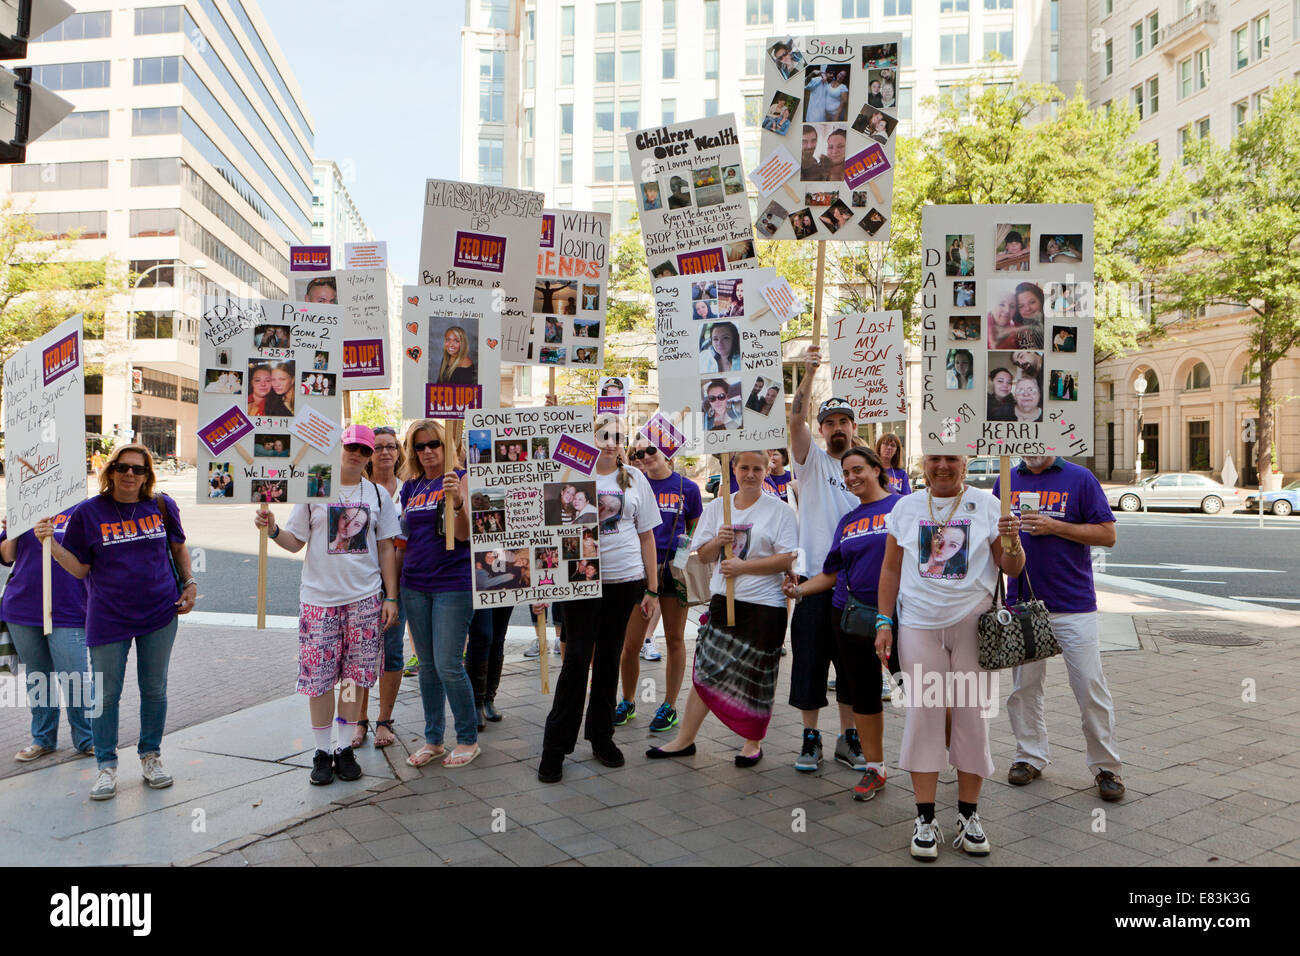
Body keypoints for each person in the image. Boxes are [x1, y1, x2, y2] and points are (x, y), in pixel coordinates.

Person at [876, 455, 1025, 859]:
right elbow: (890, 570)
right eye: (935, 459)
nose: (943, 467)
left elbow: (1010, 566)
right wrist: (883, 621)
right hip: (920, 626)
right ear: (924, 463)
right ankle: (924, 818)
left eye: (952, 460)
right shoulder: (905, 507)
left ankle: (968, 815)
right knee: (924, 714)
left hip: (973, 626)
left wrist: (1012, 538)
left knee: (971, 716)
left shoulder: (991, 504)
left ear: (965, 463)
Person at [38, 444, 197, 801]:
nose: (130, 475)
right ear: (110, 471)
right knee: (105, 695)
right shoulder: (88, 513)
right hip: (108, 617)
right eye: (123, 468)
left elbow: (178, 549)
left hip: (160, 611)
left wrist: (189, 583)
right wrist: (50, 544)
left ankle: (150, 756)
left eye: (138, 470)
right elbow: (80, 568)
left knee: (154, 690)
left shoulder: (161, 505)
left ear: (147, 475)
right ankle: (106, 766)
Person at [254, 426, 400, 787]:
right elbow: (294, 543)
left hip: (364, 600)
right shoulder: (313, 489)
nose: (357, 454)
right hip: (319, 601)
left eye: (364, 450)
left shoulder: (377, 495)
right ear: (339, 447)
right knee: (319, 680)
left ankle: (342, 748)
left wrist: (391, 596)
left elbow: (385, 548)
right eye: (351, 446)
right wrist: (272, 529)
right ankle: (320, 752)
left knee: (352, 679)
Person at [649, 450, 798, 765]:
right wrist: (719, 540)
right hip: (723, 602)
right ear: (734, 469)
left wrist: (743, 568)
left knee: (756, 675)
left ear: (766, 471)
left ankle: (751, 744)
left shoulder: (780, 511)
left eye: (757, 468)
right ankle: (684, 739)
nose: (750, 474)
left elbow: (787, 558)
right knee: (707, 672)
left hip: (764, 607)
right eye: (744, 467)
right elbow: (701, 555)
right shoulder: (719, 508)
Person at [993, 456, 1125, 801]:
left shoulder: (1079, 478)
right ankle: (1029, 756)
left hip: (1073, 603)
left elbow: (1108, 534)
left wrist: (1056, 527)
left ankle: (1106, 766)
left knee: (1090, 687)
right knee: (1024, 688)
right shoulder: (1007, 479)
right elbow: (992, 538)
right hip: (1022, 602)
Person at [538, 416, 661, 783]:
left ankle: (602, 736)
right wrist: (543, 585)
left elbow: (647, 538)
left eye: (618, 437)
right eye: (604, 436)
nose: (610, 442)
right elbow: (551, 533)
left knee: (610, 657)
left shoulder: (636, 479)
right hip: (581, 581)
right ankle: (556, 747)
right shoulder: (571, 476)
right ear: (591, 438)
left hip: (625, 581)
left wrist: (652, 589)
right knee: (577, 659)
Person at [784, 447, 900, 800]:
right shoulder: (848, 521)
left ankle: (943, 759)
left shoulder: (902, 507)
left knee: (920, 692)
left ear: (877, 469)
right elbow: (832, 573)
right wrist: (799, 589)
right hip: (852, 617)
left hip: (899, 618)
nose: (851, 478)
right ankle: (875, 769)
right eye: (847, 473)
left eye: (858, 470)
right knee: (864, 692)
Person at [788, 351, 864, 774]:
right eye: (829, 423)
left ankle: (847, 736)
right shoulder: (811, 460)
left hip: (856, 585)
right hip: (815, 578)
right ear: (822, 430)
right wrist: (810, 374)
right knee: (810, 662)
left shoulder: (866, 467)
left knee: (851, 666)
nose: (837, 428)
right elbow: (794, 421)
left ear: (854, 427)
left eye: (843, 422)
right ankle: (810, 736)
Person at [393, 420, 481, 767]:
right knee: (427, 667)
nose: (427, 451)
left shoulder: (460, 479)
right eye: (419, 446)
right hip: (414, 585)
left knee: (448, 664)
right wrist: (393, 590)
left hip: (453, 585)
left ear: (446, 445)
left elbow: (464, 536)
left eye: (433, 444)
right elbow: (403, 540)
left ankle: (468, 738)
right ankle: (433, 740)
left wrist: (458, 502)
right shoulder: (410, 487)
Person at [616, 437, 703, 733]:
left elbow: (694, 525)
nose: (644, 456)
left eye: (650, 449)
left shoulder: (687, 488)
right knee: (631, 644)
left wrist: (683, 549)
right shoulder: (630, 483)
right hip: (638, 572)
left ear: (666, 451)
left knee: (675, 639)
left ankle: (669, 705)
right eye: (638, 452)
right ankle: (627, 701)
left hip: (672, 572)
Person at [2, 512, 92, 763]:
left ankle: (87, 738)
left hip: (69, 607)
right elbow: (7, 556)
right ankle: (43, 739)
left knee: (75, 676)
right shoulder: (26, 504)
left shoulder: (84, 508)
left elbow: (93, 557)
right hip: (22, 608)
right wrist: (13, 533)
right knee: (38, 676)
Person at [351, 426, 405, 750]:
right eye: (379, 447)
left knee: (392, 651)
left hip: (401, 585)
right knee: (361, 655)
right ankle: (360, 719)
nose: (385, 452)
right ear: (370, 455)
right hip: (365, 585)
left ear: (399, 452)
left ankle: (384, 719)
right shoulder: (360, 491)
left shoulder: (410, 489)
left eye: (391, 446)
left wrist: (394, 592)